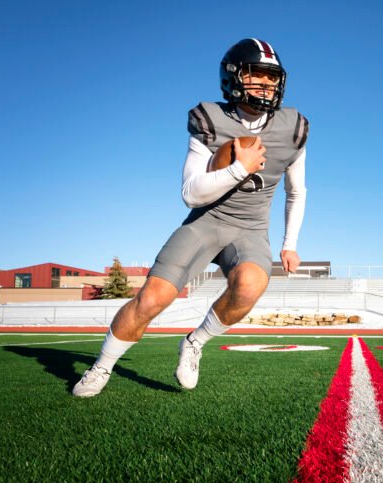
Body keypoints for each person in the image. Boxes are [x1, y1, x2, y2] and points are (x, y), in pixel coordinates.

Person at [73, 38, 308, 397]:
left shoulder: (293, 128)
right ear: (233, 78)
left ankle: (194, 342)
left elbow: (297, 190)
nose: (266, 84)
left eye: (271, 77)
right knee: (152, 299)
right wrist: (237, 170)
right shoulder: (210, 119)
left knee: (250, 286)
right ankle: (102, 366)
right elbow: (189, 193)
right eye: (256, 75)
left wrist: (290, 244)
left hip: (251, 229)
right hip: (205, 223)